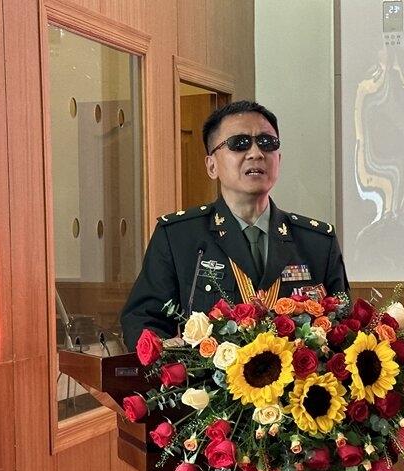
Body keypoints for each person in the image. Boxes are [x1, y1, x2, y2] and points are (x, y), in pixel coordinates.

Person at [120, 100, 349, 349]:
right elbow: (142, 321)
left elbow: (344, 327)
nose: (256, 153)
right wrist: (174, 355)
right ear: (212, 166)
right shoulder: (179, 237)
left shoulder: (317, 242)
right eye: (239, 143)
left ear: (278, 159)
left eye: (267, 143)